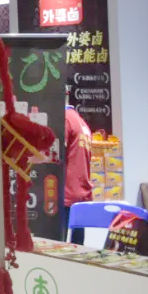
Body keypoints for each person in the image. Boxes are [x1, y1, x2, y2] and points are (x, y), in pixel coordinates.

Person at [64, 102, 94, 245]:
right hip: (81, 192)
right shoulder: (81, 122)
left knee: (55, 247)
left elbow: (54, 152)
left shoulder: (65, 119)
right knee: (78, 247)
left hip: (66, 193)